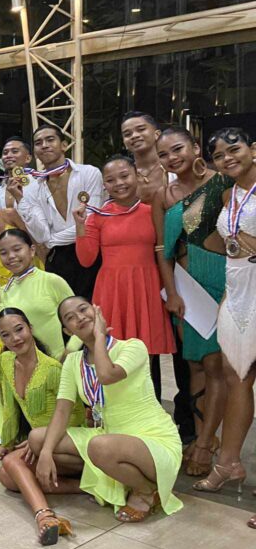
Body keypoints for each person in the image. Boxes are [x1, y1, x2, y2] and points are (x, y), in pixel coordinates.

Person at [31, 298, 183, 522]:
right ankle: (115, 478)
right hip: (108, 435)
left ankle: (146, 491)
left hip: (152, 437)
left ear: (97, 311)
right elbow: (62, 411)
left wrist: (100, 337)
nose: (79, 317)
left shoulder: (133, 347)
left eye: (83, 310)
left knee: (99, 446)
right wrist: (44, 453)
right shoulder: (73, 362)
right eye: (70, 318)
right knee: (38, 439)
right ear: (67, 329)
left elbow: (107, 375)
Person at [154, 126, 229, 475]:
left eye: (178, 149)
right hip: (185, 290)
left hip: (222, 283)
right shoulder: (164, 195)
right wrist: (172, 293)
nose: (172, 158)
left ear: (196, 146)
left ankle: (205, 446)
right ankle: (204, 436)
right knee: (195, 365)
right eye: (164, 155)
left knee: (216, 367)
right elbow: (161, 250)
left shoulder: (223, 182)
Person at [74, 156, 175, 398]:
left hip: (146, 288)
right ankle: (116, 409)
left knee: (146, 356)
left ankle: (149, 408)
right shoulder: (98, 215)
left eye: (124, 176)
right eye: (110, 180)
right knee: (113, 353)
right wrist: (80, 225)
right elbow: (86, 259)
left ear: (137, 176)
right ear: (104, 186)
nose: (119, 183)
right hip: (112, 290)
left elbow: (165, 250)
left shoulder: (153, 211)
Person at [197, 128, 256, 530]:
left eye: (234, 149)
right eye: (219, 155)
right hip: (236, 295)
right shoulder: (228, 195)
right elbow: (225, 244)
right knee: (238, 378)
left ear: (253, 149)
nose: (227, 158)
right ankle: (229, 462)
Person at [122, 113, 192, 445]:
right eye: (127, 133)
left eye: (140, 130)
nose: (134, 136)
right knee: (142, 351)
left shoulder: (176, 171)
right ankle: (147, 420)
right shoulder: (123, 175)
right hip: (138, 269)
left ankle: (188, 422)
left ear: (156, 132)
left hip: (179, 266)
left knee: (183, 350)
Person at [0, 308, 84, 545]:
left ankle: (44, 516)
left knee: (11, 463)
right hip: (37, 443)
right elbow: (9, 405)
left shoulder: (53, 369)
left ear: (30, 328)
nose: (15, 339)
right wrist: (8, 442)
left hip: (64, 444)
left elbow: (75, 416)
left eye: (19, 329)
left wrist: (41, 439)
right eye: (6, 335)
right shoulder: (5, 361)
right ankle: (86, 488)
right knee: (7, 478)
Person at [11, 125, 104, 299]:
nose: (44, 145)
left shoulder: (89, 173)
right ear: (35, 152)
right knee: (64, 312)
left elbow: (91, 220)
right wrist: (19, 199)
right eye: (39, 143)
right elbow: (40, 234)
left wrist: (51, 241)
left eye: (50, 140)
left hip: (89, 249)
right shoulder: (30, 186)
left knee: (95, 309)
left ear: (64, 145)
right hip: (57, 259)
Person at [0, 229, 73, 358]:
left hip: (59, 364)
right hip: (24, 368)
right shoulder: (2, 291)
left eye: (17, 249)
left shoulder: (51, 281)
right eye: (4, 253)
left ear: (32, 250)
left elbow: (80, 320)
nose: (11, 256)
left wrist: (69, 354)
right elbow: (2, 334)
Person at [0, 137, 33, 210]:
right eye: (5, 153)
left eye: (15, 151)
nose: (8, 156)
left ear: (28, 158)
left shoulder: (38, 185)